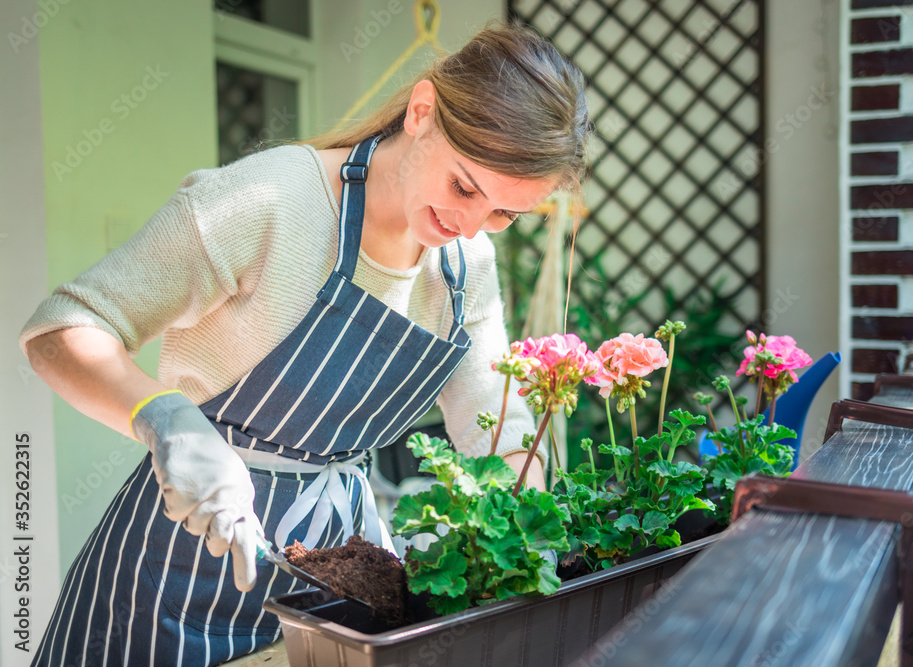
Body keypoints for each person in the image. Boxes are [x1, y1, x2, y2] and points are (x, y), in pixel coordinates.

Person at [20, 20, 591, 667]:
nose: (468, 223)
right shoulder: (272, 200)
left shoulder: (466, 269)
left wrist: (532, 544)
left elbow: (500, 431)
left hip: (334, 589)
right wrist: (165, 418)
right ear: (422, 111)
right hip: (173, 579)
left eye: (502, 212)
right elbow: (60, 329)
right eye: (464, 185)